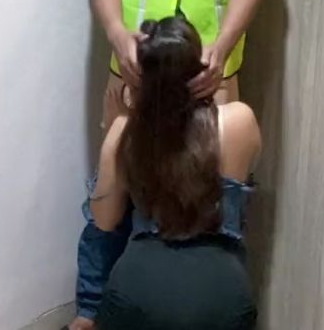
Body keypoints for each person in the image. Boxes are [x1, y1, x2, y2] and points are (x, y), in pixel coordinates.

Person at [70, 0, 271, 328]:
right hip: (138, 70)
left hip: (209, 70)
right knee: (119, 192)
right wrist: (117, 34)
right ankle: (94, 309)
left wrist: (224, 46)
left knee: (212, 200)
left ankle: (192, 306)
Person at [91, 16, 262, 328]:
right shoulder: (240, 120)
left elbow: (104, 221)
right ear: (200, 69)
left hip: (138, 288)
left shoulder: (126, 132)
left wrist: (115, 133)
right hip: (222, 293)